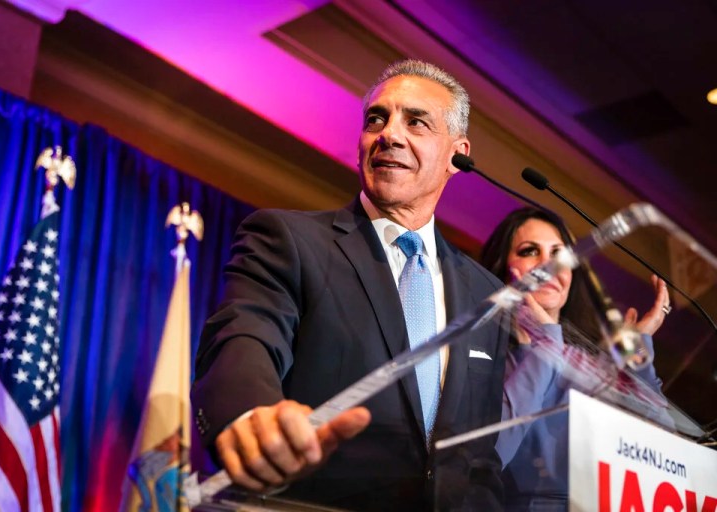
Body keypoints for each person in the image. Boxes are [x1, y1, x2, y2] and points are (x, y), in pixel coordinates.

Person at [191, 59, 510, 511]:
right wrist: (252, 416)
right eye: (376, 119)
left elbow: (479, 456)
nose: (389, 135)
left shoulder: (485, 293)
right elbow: (244, 335)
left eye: (416, 121)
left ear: (457, 155)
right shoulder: (290, 240)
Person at [479, 207, 669, 510]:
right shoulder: (480, 356)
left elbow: (664, 442)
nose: (549, 264)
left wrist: (635, 348)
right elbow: (487, 459)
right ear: (502, 270)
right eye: (530, 251)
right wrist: (544, 345)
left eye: (560, 254)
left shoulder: (588, 363)